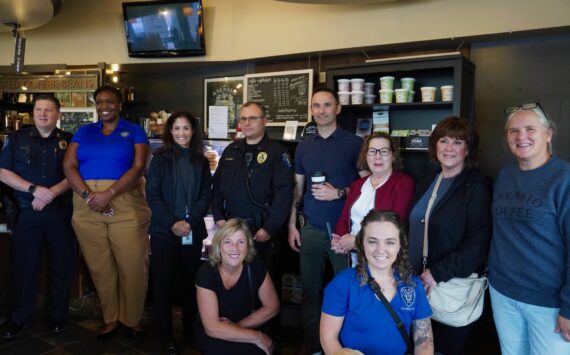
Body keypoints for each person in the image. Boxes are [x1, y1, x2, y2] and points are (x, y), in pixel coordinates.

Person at [63, 85, 151, 341]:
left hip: (124, 202)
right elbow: (69, 165)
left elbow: (138, 168)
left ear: (119, 105)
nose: (104, 106)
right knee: (100, 267)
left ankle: (131, 319)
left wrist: (108, 194)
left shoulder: (134, 131)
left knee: (132, 265)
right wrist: (90, 196)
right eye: (99, 102)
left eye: (110, 102)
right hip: (86, 203)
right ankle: (111, 318)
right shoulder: (84, 131)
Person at [488, 103, 570, 354]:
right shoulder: (505, 175)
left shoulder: (564, 179)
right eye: (514, 131)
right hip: (502, 292)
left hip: (548, 303)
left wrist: (568, 308)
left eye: (530, 129)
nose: (521, 136)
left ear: (548, 134)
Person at [288, 87, 365, 354]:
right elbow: (298, 189)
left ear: (338, 108)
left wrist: (339, 192)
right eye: (316, 106)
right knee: (310, 291)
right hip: (309, 228)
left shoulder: (354, 144)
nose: (321, 111)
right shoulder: (303, 146)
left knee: (346, 291)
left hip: (342, 233)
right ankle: (313, 344)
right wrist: (292, 225)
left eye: (327, 105)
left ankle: (344, 345)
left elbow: (367, 186)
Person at [407, 116, 492, 355]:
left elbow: (477, 244)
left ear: (468, 149)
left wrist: (436, 273)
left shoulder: (475, 186)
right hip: (418, 283)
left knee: (444, 348)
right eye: (443, 140)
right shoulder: (429, 180)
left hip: (447, 286)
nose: (449, 148)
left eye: (457, 142)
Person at [0, 95, 75, 339]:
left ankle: (58, 316)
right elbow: (3, 172)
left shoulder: (70, 141)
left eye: (49, 110)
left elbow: (76, 174)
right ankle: (19, 319)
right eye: (38, 109)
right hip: (27, 212)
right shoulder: (16, 139)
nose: (43, 114)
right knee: (24, 267)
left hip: (60, 212)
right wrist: (35, 190)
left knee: (61, 267)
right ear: (33, 113)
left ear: (58, 114)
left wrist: (51, 193)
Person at [321, 209, 434, 355]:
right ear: (362, 243)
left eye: (390, 242)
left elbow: (424, 342)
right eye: (373, 241)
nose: (381, 250)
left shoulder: (413, 284)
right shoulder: (342, 284)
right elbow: (329, 340)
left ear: (400, 245)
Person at [146, 111, 212, 354]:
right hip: (164, 231)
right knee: (162, 284)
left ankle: (189, 333)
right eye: (176, 128)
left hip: (191, 232)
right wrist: (173, 222)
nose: (181, 133)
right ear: (170, 132)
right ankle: (165, 336)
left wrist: (191, 222)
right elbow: (152, 195)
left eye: (186, 128)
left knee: (190, 284)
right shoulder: (160, 158)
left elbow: (207, 194)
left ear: (193, 131)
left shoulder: (201, 161)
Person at [212, 101, 293, 262]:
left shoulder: (277, 152)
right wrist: (219, 217)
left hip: (260, 230)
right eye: (243, 119)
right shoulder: (231, 150)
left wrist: (269, 228)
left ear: (264, 121)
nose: (247, 123)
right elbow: (217, 188)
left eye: (252, 118)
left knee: (261, 278)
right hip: (231, 228)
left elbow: (284, 194)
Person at [195, 218, 279, 355]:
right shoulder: (206, 273)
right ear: (219, 245)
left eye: (241, 242)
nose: (235, 248)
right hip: (213, 334)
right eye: (228, 242)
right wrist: (258, 337)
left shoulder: (255, 265)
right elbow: (212, 328)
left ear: (248, 246)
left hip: (247, 326)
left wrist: (237, 327)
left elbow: (272, 306)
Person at [332, 132, 414, 265]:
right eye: (372, 151)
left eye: (384, 151)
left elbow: (395, 226)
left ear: (393, 156)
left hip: (384, 262)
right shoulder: (357, 184)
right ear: (365, 156)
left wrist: (356, 241)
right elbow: (344, 220)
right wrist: (340, 240)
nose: (377, 156)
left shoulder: (404, 183)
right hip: (355, 260)